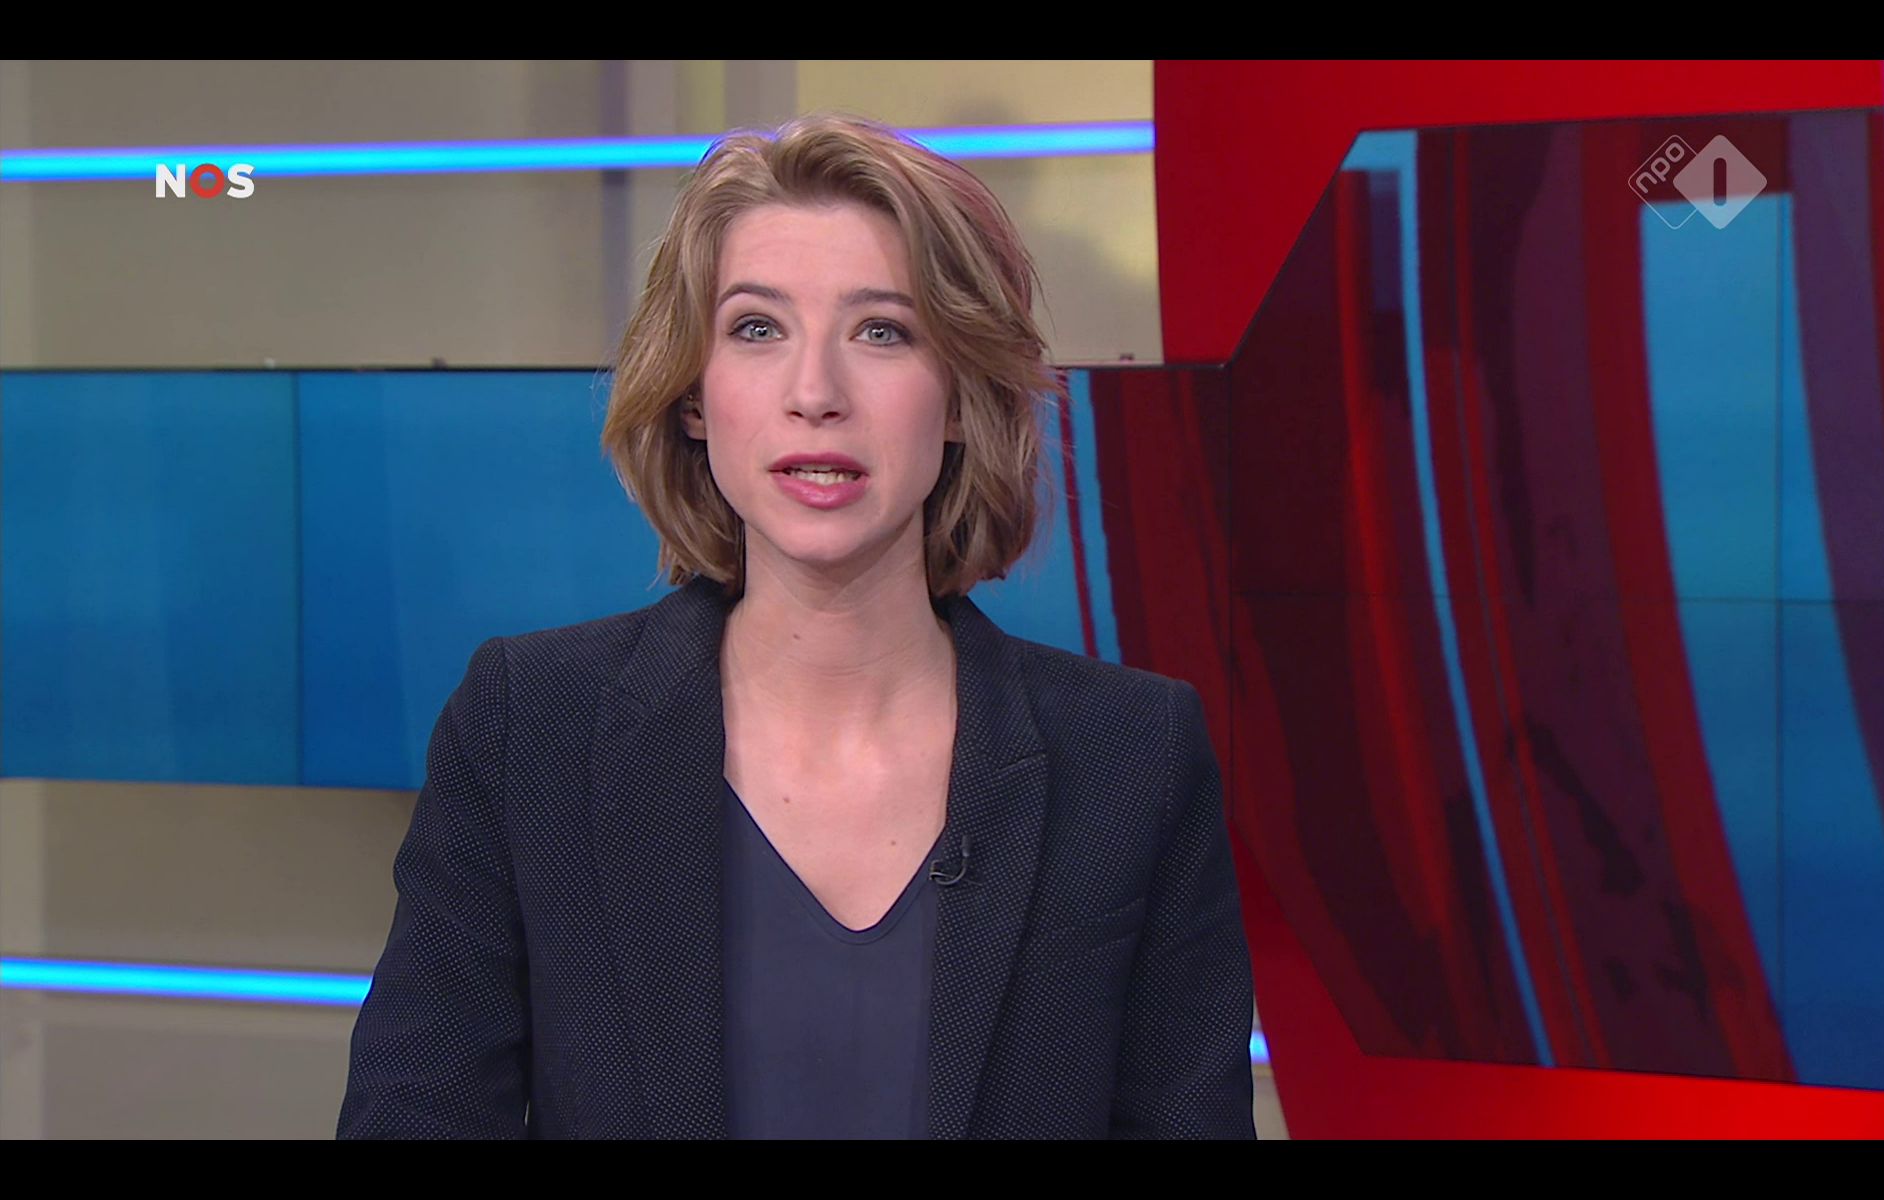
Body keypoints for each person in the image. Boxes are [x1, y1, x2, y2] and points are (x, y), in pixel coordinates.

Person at [336, 111, 1255, 1140]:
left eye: (883, 332)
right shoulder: (531, 729)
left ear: (960, 397)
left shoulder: (1132, 756)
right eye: (758, 329)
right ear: (694, 395)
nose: (815, 394)